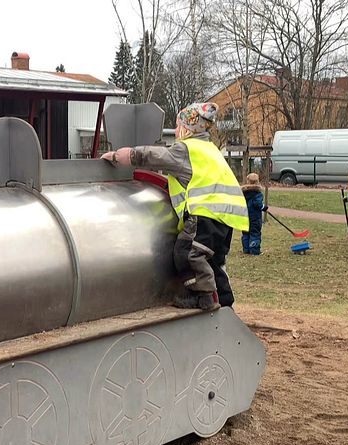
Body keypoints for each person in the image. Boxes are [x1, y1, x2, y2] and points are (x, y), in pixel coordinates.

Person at [101, 102, 248, 311]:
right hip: (227, 218)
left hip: (204, 213)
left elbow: (155, 156)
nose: (177, 131)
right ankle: (225, 303)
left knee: (186, 253)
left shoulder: (186, 149)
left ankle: (202, 297)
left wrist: (121, 156)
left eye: (178, 126)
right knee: (213, 262)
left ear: (186, 128)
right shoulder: (210, 149)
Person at [241, 173, 265, 256]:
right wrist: (263, 207)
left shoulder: (243, 193)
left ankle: (246, 249)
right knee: (255, 233)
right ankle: (254, 250)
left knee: (246, 233)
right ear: (257, 182)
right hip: (255, 217)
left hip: (244, 216)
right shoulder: (257, 193)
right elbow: (257, 204)